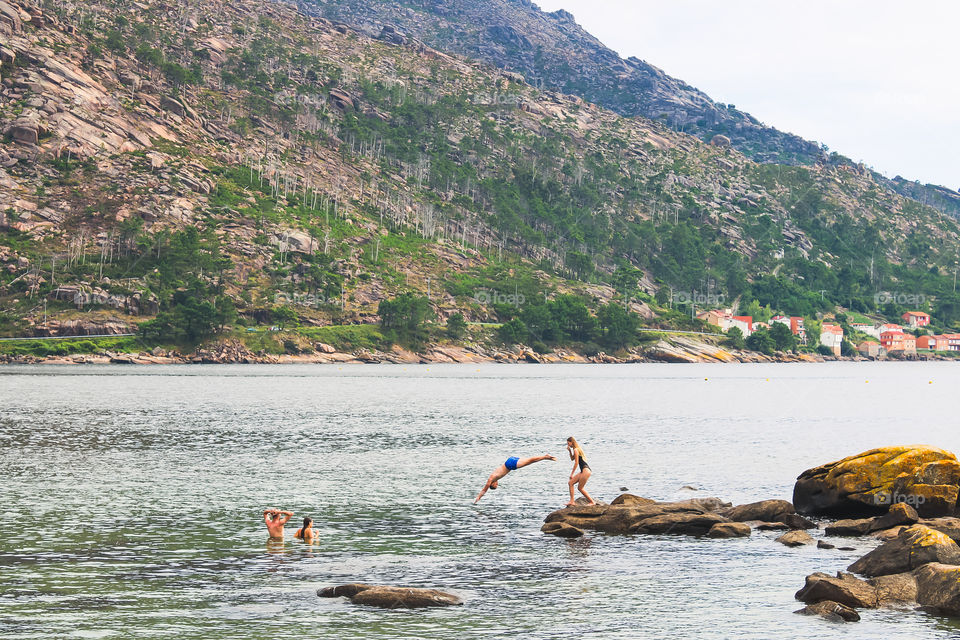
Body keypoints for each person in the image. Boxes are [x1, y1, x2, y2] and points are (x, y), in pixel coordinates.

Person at [474, 454, 557, 503]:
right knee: (529, 461)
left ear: (492, 484)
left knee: (530, 461)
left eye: (496, 485)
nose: (497, 484)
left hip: (510, 464)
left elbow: (485, 488)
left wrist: (478, 498)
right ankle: (545, 458)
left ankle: (545, 457)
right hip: (510, 462)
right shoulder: (494, 477)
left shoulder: (491, 479)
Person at [566, 437, 595, 506]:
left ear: (571, 442)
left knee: (580, 488)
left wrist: (571, 474)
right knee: (570, 483)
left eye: (568, 443)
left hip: (585, 470)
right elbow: (572, 459)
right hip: (584, 470)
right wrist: (569, 451)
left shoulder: (576, 450)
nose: (568, 444)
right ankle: (572, 501)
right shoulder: (576, 449)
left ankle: (592, 502)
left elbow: (576, 463)